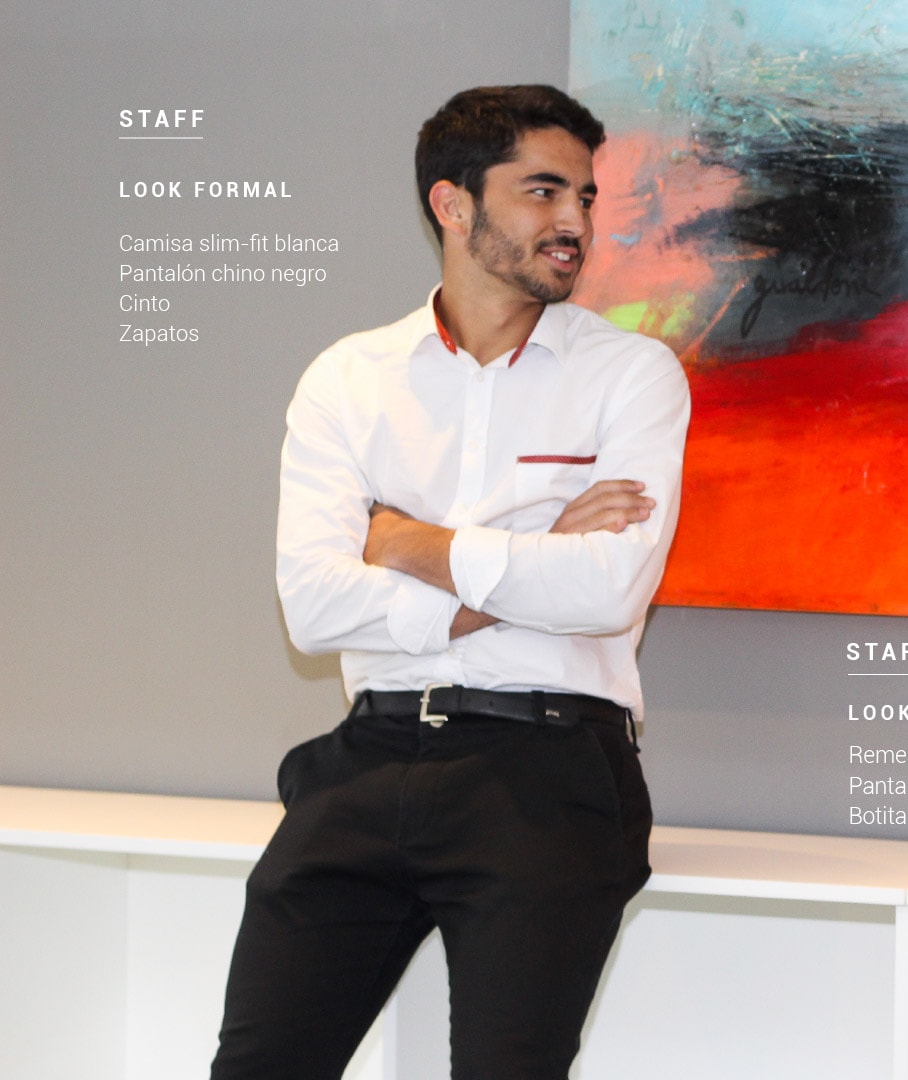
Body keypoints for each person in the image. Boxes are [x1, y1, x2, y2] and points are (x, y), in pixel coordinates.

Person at [210, 85, 690, 1078]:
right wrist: (527, 555)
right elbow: (313, 605)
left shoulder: (632, 376)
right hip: (367, 758)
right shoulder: (350, 378)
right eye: (542, 191)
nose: (574, 221)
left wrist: (404, 541)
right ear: (453, 204)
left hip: (549, 768)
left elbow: (607, 592)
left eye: (585, 198)